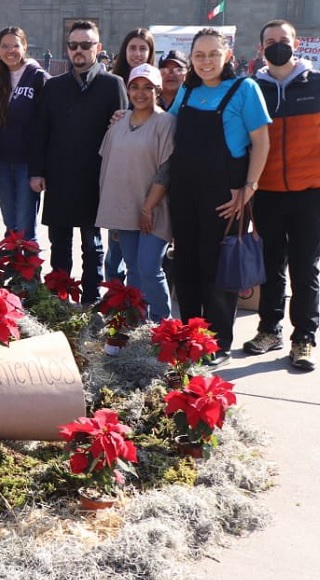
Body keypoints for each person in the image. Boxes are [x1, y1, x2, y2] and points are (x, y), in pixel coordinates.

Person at [168, 28, 271, 365]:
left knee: (218, 268)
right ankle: (188, 336)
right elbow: (164, 127)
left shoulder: (245, 89)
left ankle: (216, 343)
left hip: (226, 195)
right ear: (191, 59)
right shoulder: (187, 90)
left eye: (213, 54)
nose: (206, 61)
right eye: (199, 55)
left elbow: (262, 143)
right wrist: (125, 116)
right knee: (186, 265)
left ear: (228, 55)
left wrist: (249, 188)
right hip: (184, 191)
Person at [30, 20, 128, 304]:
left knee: (92, 244)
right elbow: (41, 132)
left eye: (86, 45)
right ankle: (59, 297)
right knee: (59, 242)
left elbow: (120, 135)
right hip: (59, 176)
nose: (79, 51)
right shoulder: (54, 86)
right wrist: (37, 172)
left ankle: (91, 298)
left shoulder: (113, 85)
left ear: (97, 48)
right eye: (73, 46)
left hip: (95, 178)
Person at [244, 19, 319, 371]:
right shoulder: (251, 88)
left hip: (310, 194)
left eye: (283, 40)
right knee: (270, 268)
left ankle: (303, 337)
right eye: (270, 40)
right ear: (261, 48)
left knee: (305, 269)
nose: (277, 45)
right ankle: (269, 330)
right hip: (267, 194)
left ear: (295, 43)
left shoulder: (316, 84)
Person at [96, 64, 175, 322]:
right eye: (135, 86)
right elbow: (108, 169)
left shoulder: (165, 123)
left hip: (153, 210)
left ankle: (162, 324)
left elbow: (166, 170)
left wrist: (148, 207)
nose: (141, 93)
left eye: (148, 87)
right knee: (133, 269)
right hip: (125, 211)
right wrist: (115, 216)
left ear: (158, 90)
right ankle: (139, 323)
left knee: (150, 267)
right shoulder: (117, 125)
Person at [104, 28, 156, 284]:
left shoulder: (157, 86)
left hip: (149, 183)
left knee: (144, 257)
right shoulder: (113, 83)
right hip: (120, 180)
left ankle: (140, 306)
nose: (137, 54)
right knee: (115, 251)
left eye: (142, 49)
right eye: (132, 48)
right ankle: (116, 300)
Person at [0, 26, 48, 243]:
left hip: (28, 164)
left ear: (25, 46)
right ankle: (13, 272)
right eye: (5, 46)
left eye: (15, 45)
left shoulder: (38, 77)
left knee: (26, 224)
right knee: (10, 222)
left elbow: (47, 123)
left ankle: (29, 275)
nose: (10, 51)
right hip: (2, 161)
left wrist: (40, 169)